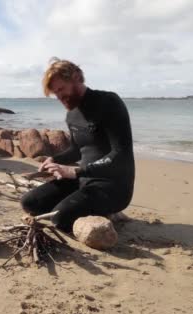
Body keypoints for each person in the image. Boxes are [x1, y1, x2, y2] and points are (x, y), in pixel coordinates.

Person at [20, 58, 135, 233]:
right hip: (83, 181)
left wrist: (75, 171)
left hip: (113, 186)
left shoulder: (108, 102)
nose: (59, 97)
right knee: (30, 202)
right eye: (55, 93)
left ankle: (111, 212)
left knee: (60, 218)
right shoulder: (72, 115)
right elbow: (76, 151)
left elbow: (121, 154)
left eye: (61, 89)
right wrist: (54, 159)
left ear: (76, 77)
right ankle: (88, 208)